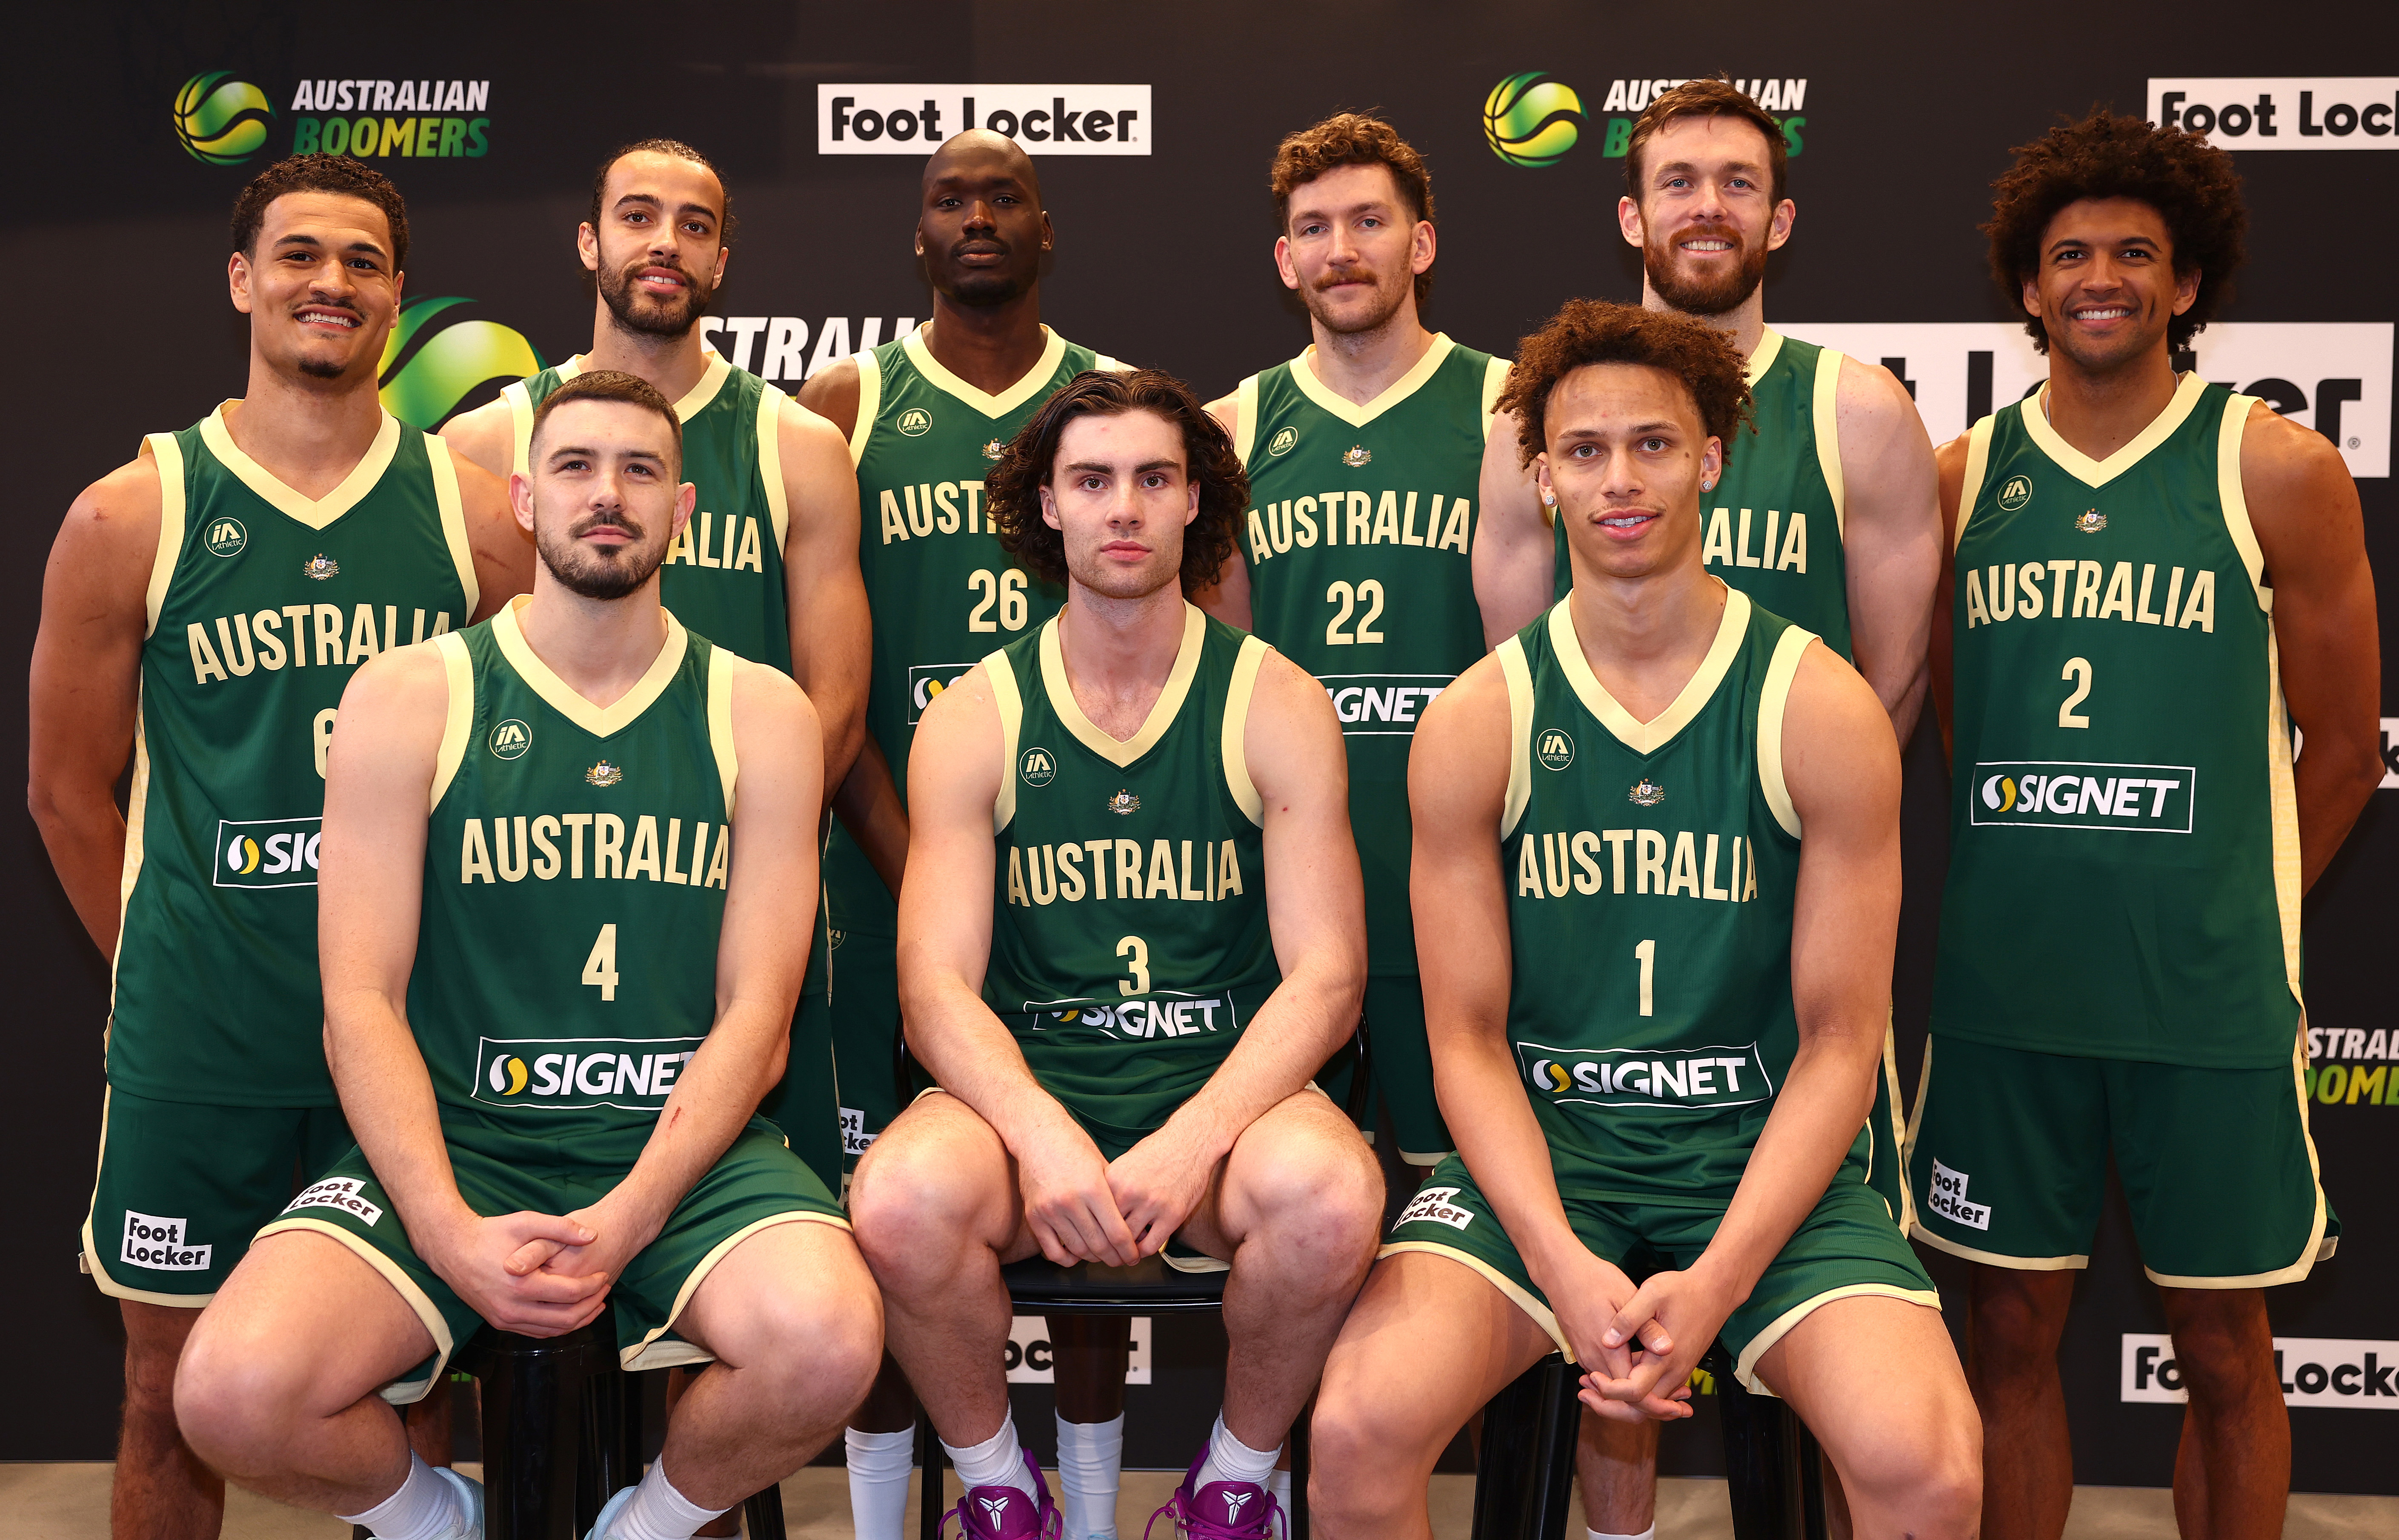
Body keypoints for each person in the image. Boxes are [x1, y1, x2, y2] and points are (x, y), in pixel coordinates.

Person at [1311, 300, 1980, 1540]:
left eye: (1653, 445)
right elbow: (1461, 1041)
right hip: (1552, 1159)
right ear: (1541, 474)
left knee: (1927, 1470)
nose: (1617, 480)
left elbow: (1841, 1040)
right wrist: (1562, 1266)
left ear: (1712, 458)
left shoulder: (1815, 706)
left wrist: (1715, 1282)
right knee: (1354, 1433)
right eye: (1581, 450)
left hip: (1759, 1164)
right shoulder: (1477, 720)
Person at [172, 369, 881, 1540]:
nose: (607, 494)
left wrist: (633, 1212)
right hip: (465, 1140)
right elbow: (359, 1002)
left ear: (685, 509)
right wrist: (447, 1226)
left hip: (683, 1149)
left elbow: (758, 1015)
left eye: (640, 469)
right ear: (521, 499)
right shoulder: (409, 694)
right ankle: (446, 1521)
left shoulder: (760, 711)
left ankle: (639, 1527)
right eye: (575, 466)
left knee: (830, 1340)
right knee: (231, 1389)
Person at [29, 154, 530, 1540]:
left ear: (397, 298)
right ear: (243, 279)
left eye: (363, 261)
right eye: (300, 254)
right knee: (165, 1384)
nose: (331, 282)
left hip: (413, 1038)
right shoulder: (130, 513)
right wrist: (165, 975)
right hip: (205, 1044)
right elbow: (69, 794)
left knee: (412, 1387)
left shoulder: (475, 520)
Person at [1473, 82, 1941, 1537]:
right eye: (1674, 183)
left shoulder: (1854, 406)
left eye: (1734, 185)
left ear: (1776, 218)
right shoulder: (1530, 420)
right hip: (1590, 887)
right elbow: (1512, 661)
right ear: (1629, 213)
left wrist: (1769, 828)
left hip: (1776, 890)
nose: (1702, 210)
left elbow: (1892, 674)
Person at [1910, 111, 2379, 1540]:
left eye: (2132, 253)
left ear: (2184, 286)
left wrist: (2237, 916)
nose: (2097, 274)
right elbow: (1950, 725)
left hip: (2202, 1008)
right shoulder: (1956, 478)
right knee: (2003, 1343)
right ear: (2026, 288)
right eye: (2067, 254)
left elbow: (2347, 746)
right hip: (2007, 1000)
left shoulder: (2272, 468)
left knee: (2224, 1355)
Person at [847, 369, 1383, 1540]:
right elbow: (932, 981)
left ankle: (1228, 1485)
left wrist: (1193, 1140)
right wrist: (1039, 1133)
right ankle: (999, 1491)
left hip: (1225, 1099)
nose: (1123, 507)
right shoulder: (976, 713)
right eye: (1091, 480)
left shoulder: (1272, 701)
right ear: (1046, 506)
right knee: (896, 1200)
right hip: (1028, 1090)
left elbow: (1329, 975)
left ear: (1196, 500)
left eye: (1153, 478)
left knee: (1333, 1199)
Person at [793, 129, 1133, 1540]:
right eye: (949, 201)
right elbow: (836, 690)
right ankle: (884, 1520)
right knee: (883, 1216)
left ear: (1045, 232)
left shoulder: (1109, 402)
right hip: (886, 869)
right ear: (915, 237)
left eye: (1004, 198)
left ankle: (1098, 1508)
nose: (977, 218)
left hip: (1072, 874)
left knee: (1100, 1202)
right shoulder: (845, 401)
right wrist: (921, 865)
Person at [444, 135, 868, 1194]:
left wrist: (740, 862)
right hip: (539, 883)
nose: (664, 243)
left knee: (734, 1249)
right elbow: (463, 690)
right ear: (591, 241)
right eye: (637, 216)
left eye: (695, 225)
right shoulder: (488, 438)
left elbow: (839, 704)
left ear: (723, 261)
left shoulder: (794, 443)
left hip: (730, 888)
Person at [1201, 111, 1507, 1187]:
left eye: (1369, 221)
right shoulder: (1230, 430)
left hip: (1456, 890)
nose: (1342, 250)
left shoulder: (1507, 410)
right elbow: (1225, 678)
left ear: (1419, 244)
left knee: (1466, 1211)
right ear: (1284, 259)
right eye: (1315, 228)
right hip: (1295, 901)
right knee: (1299, 1213)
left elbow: (1533, 678)